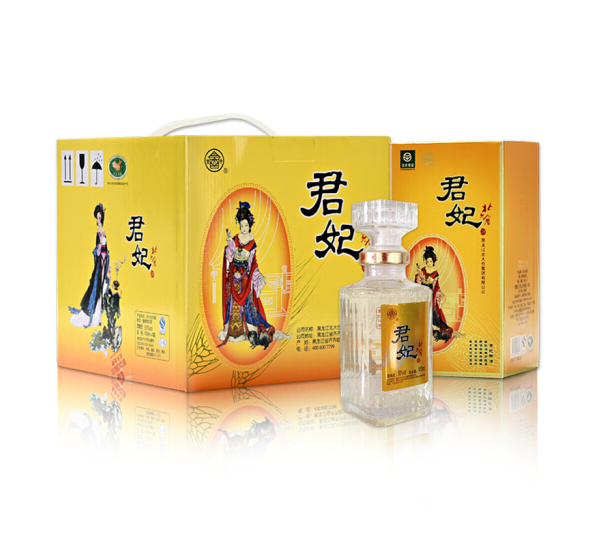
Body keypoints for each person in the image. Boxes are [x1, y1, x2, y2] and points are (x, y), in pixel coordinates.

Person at [218, 202, 290, 347]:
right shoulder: (236, 239)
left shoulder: (252, 243)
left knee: (248, 303)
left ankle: (248, 330)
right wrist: (230, 245)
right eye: (241, 225)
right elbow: (230, 256)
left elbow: (252, 263)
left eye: (246, 225)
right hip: (234, 275)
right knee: (232, 302)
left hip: (244, 277)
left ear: (250, 225)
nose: (244, 228)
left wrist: (256, 276)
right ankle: (232, 330)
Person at [69, 204, 110, 328]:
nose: (99, 219)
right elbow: (98, 248)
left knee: (102, 286)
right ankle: (93, 313)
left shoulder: (102, 232)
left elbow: (105, 249)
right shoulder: (99, 232)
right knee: (97, 286)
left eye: (100, 217)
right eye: (98, 217)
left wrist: (107, 263)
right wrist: (99, 249)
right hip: (100, 261)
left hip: (104, 260)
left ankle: (97, 315)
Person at [415, 246, 454, 342]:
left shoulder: (435, 273)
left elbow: (436, 285)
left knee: (432, 311)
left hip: (430, 293)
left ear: (433, 261)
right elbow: (418, 280)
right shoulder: (423, 270)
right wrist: (420, 278)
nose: (429, 263)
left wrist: (437, 292)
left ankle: (442, 329)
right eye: (427, 261)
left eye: (430, 261)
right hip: (422, 291)